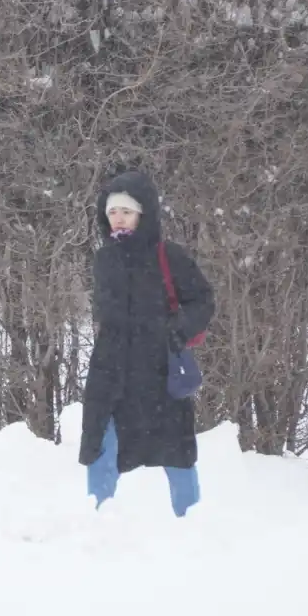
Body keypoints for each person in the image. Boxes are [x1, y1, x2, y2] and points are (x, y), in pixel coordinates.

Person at [80, 170, 215, 517]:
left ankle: (192, 522)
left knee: (177, 452)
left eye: (126, 210)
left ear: (143, 213)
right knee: (100, 445)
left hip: (158, 369)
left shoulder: (169, 256)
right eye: (112, 212)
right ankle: (96, 522)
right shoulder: (103, 260)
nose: (118, 218)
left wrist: (178, 330)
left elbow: (202, 299)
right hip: (111, 370)